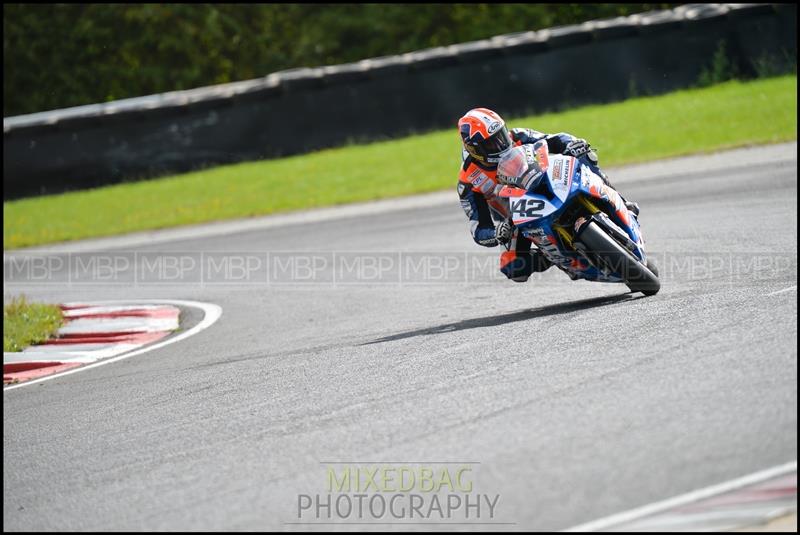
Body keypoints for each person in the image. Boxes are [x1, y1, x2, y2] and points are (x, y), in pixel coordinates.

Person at [456, 107, 639, 282]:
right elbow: (479, 230)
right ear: (474, 149)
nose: (502, 143)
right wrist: (497, 233)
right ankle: (551, 256)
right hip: (516, 216)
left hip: (542, 180)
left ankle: (619, 200)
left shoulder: (517, 135)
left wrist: (574, 145)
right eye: (491, 143)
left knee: (585, 157)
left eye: (501, 135)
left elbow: (555, 139)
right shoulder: (468, 181)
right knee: (514, 268)